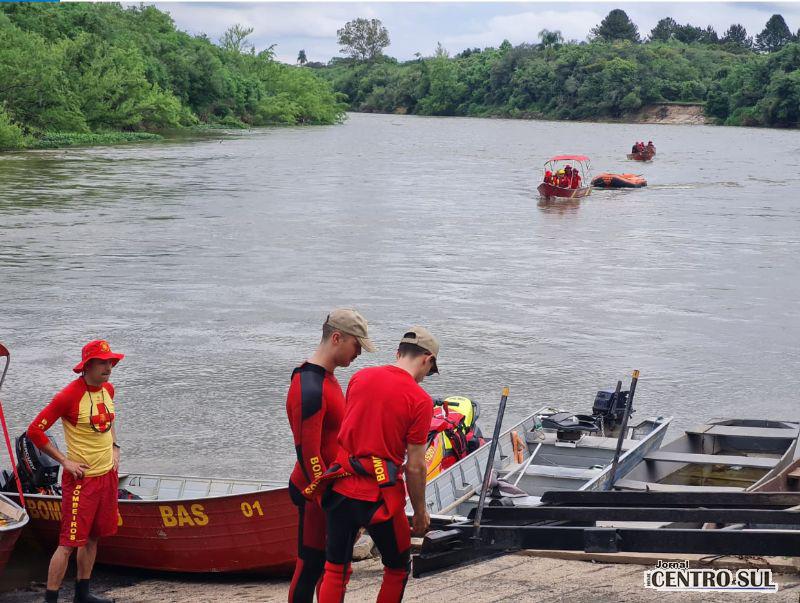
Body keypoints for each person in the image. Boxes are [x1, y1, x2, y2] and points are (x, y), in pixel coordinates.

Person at [314, 326, 439, 603]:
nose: (423, 379)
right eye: (427, 372)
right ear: (427, 359)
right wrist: (420, 513)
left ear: (398, 353)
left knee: (335, 568)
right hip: (380, 497)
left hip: (341, 486)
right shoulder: (420, 400)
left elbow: (352, 430)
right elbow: (415, 467)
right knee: (396, 568)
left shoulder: (360, 377)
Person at [286, 309, 375, 603]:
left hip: (331, 488)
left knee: (332, 567)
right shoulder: (309, 386)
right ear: (337, 338)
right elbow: (308, 453)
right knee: (311, 564)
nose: (360, 352)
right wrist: (328, 497)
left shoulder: (328, 379)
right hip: (316, 492)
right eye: (357, 345)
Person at [27, 340, 124, 603]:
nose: (109, 367)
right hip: (82, 481)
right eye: (103, 362)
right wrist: (64, 461)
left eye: (110, 362)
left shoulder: (108, 390)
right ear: (87, 366)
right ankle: (51, 599)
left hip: (107, 476)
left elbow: (109, 421)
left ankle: (83, 594)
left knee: (93, 538)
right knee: (68, 543)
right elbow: (35, 431)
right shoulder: (68, 396)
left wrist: (115, 447)